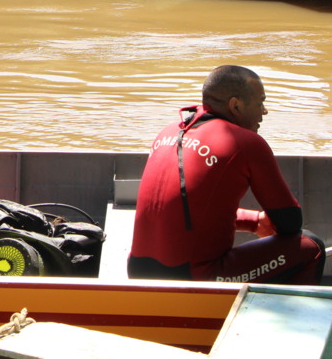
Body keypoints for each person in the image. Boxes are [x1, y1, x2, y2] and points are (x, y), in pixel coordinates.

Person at [128, 65, 325, 283]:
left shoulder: (168, 132)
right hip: (196, 276)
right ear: (236, 105)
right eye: (260, 103)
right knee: (310, 244)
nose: (264, 111)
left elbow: (191, 207)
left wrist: (253, 221)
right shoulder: (246, 142)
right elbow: (290, 223)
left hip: (138, 271)